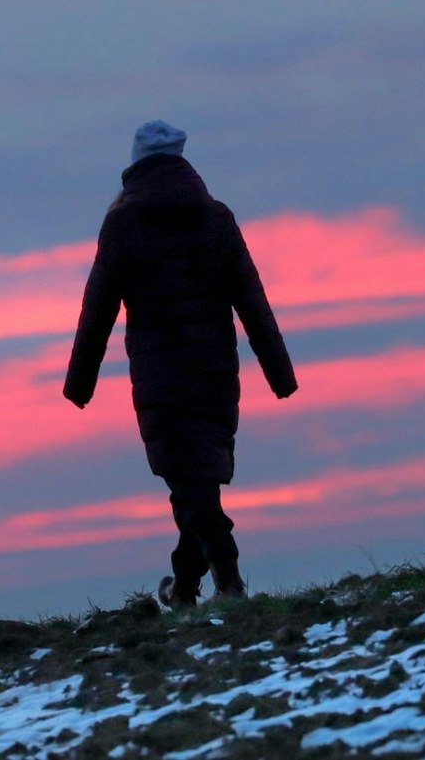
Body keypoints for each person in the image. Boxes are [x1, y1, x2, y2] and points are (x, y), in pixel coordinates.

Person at [64, 120, 298, 608]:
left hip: (161, 375)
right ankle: (185, 589)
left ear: (134, 165)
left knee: (192, 485)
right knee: (196, 481)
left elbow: (98, 306)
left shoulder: (124, 223)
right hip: (215, 369)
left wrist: (79, 382)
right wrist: (280, 372)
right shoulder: (216, 217)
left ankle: (229, 584)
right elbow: (253, 300)